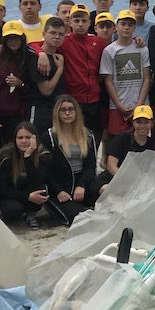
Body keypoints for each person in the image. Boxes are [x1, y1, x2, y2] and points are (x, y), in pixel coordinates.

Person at [43, 95, 100, 227]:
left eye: (71, 109)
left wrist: (82, 185)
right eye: (63, 110)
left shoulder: (88, 136)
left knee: (104, 189)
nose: (67, 113)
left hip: (82, 183)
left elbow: (90, 167)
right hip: (60, 186)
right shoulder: (49, 137)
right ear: (57, 113)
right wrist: (58, 191)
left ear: (76, 112)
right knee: (80, 218)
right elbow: (45, 171)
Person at [0, 20, 31, 151]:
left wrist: (21, 84)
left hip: (18, 115)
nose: (13, 41)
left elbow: (30, 88)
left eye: (16, 38)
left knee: (19, 150)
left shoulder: (26, 58)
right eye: (9, 39)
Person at [99, 9, 150, 137]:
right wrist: (119, 105)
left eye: (130, 24)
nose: (126, 28)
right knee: (116, 140)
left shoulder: (142, 48)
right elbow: (108, 80)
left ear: (134, 28)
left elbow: (147, 78)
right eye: (123, 24)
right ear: (116, 27)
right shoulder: (109, 50)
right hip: (117, 105)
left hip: (140, 104)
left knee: (140, 139)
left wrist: (139, 104)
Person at [58, 4, 106, 137]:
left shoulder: (98, 42)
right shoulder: (63, 42)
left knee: (95, 137)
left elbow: (117, 47)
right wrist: (41, 54)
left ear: (90, 22)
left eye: (84, 21)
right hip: (74, 100)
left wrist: (137, 40)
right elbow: (38, 44)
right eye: (76, 21)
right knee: (74, 137)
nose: (80, 24)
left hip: (95, 101)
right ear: (70, 22)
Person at [0, 122, 50, 229]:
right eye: (20, 138)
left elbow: (36, 181)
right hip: (10, 194)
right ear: (15, 139)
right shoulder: (6, 155)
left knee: (42, 190)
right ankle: (16, 214)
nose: (24, 141)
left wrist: (28, 156)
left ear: (34, 139)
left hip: (30, 192)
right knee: (13, 210)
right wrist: (27, 197)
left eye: (28, 137)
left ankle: (31, 214)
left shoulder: (43, 155)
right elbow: (0, 188)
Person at [22, 17, 66, 132]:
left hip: (56, 109)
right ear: (44, 34)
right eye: (52, 33)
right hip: (38, 109)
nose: (56, 37)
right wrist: (60, 69)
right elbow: (46, 90)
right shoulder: (37, 58)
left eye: (60, 34)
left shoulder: (58, 56)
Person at [102, 104, 155, 179]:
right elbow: (111, 165)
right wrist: (125, 180)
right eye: (138, 122)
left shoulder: (153, 143)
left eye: (146, 122)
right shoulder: (122, 138)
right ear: (133, 123)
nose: (142, 126)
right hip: (116, 179)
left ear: (152, 123)